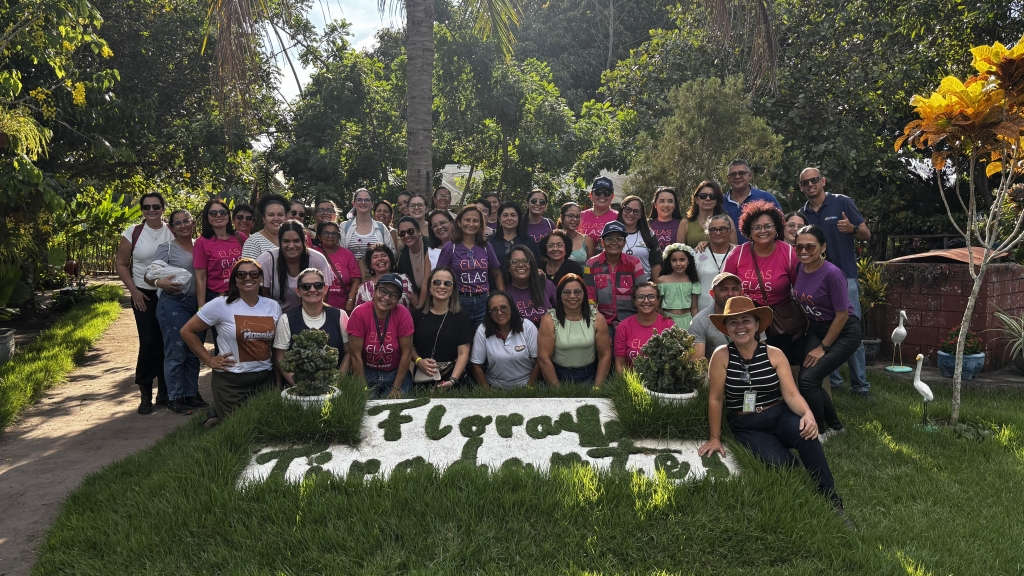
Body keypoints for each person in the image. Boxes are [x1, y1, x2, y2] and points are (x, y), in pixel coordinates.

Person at [696, 296, 850, 525]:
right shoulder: (721, 356)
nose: (740, 327)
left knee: (806, 435)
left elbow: (791, 394)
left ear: (757, 325)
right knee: (781, 465)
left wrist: (807, 415)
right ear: (726, 328)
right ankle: (794, 465)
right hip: (747, 425)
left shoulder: (774, 354)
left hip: (778, 414)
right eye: (733, 322)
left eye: (746, 320)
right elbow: (716, 399)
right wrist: (714, 438)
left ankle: (831, 498)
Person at [797, 167, 872, 398]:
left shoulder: (842, 203)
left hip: (845, 276)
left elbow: (866, 235)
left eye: (814, 180)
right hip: (816, 279)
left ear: (823, 181)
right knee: (825, 328)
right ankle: (835, 381)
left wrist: (852, 229)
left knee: (851, 331)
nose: (811, 185)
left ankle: (860, 386)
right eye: (806, 182)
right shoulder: (803, 213)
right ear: (801, 187)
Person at [180, 259, 282, 428]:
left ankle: (216, 415)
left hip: (265, 378)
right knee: (239, 428)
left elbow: (276, 345)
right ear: (235, 280)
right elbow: (187, 331)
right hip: (232, 381)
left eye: (253, 273)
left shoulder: (272, 306)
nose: (247, 278)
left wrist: (278, 382)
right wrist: (208, 360)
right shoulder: (221, 304)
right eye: (241, 274)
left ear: (261, 278)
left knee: (266, 425)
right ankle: (215, 419)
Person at [793, 225, 862, 434]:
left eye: (810, 247)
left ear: (823, 247)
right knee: (808, 379)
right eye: (799, 247)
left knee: (808, 379)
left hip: (844, 330)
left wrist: (822, 347)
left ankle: (820, 430)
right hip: (817, 327)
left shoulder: (833, 274)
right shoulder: (800, 268)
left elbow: (841, 315)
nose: (804, 252)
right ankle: (835, 428)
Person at [116, 192, 174, 414]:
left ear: (163, 208)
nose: (151, 210)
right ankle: (145, 394)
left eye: (156, 206)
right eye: (147, 207)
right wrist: (134, 292)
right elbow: (121, 263)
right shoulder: (133, 232)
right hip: (144, 294)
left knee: (166, 343)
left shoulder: (172, 230)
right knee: (149, 343)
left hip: (169, 294)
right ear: (142, 210)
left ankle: (165, 392)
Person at [724, 201, 803, 365]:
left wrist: (804, 320)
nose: (763, 231)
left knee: (781, 364)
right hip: (746, 319)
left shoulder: (789, 254)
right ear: (749, 231)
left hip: (780, 321)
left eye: (768, 226)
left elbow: (801, 289)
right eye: (757, 227)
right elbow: (725, 289)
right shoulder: (737, 255)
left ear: (776, 228)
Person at [147, 209, 207, 415]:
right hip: (174, 304)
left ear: (193, 222)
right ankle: (175, 397)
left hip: (197, 303)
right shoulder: (167, 248)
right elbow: (149, 274)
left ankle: (192, 394)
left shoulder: (201, 244)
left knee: (194, 351)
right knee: (176, 351)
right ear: (172, 227)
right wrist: (158, 282)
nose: (183, 225)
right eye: (178, 223)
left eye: (186, 221)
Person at [272, 269, 351, 385]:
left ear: (325, 289)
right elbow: (280, 357)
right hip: (298, 389)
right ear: (298, 291)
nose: (312, 290)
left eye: (318, 285)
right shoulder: (286, 319)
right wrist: (301, 387)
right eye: (306, 286)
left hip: (335, 388)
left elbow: (348, 352)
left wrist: (335, 383)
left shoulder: (340, 316)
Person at [348, 273, 415, 398]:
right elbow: (355, 356)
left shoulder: (403, 314)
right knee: (367, 408)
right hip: (367, 373)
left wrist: (396, 388)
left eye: (394, 295)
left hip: (395, 373)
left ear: (398, 299)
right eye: (383, 291)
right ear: (374, 290)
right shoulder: (359, 313)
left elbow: (407, 353)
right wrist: (362, 389)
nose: (387, 297)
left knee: (394, 408)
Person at [537, 274, 611, 387]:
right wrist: (558, 390)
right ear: (559, 295)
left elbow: (605, 355)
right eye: (566, 292)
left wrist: (597, 387)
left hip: (588, 376)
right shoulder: (549, 320)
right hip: (557, 376)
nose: (572, 296)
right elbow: (543, 358)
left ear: (584, 294)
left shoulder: (597, 318)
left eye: (577, 292)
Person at [438, 206, 505, 328]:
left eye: (475, 221)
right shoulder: (450, 247)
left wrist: (502, 298)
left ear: (480, 224)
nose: (471, 224)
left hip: (483, 302)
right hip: (458, 301)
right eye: (467, 220)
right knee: (461, 341)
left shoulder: (486, 247)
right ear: (459, 222)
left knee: (482, 340)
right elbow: (438, 276)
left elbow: (497, 274)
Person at [585, 221, 648, 344]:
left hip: (631, 319)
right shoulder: (591, 264)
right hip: (602, 321)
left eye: (619, 239)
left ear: (624, 242)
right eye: (609, 238)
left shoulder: (634, 263)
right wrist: (598, 323)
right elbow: (589, 297)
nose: (614, 242)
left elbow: (642, 291)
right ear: (602, 242)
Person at [409, 267, 473, 389]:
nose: (442, 286)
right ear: (429, 287)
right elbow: (409, 346)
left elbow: (463, 353)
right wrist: (418, 361)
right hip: (423, 378)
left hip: (452, 378)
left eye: (447, 283)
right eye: (437, 282)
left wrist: (453, 380)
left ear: (453, 289)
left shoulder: (462, 316)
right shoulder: (416, 314)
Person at [257, 221, 334, 313]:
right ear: (279, 241)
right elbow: (262, 297)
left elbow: (324, 294)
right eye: (286, 241)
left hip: (309, 316)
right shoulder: (266, 260)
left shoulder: (318, 260)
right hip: (274, 315)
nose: (291, 246)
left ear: (305, 241)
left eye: (296, 241)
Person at [470, 291, 539, 389]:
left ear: (512, 308)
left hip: (525, 384)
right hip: (495, 385)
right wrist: (488, 394)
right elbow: (476, 365)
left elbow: (539, 362)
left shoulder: (528, 327)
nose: (499, 312)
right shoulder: (483, 329)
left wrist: (529, 388)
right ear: (489, 314)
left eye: (503, 307)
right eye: (494, 310)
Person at [195, 199, 247, 314]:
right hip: (217, 298)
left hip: (243, 294)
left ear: (228, 216)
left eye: (223, 212)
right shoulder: (202, 242)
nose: (218, 215)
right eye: (213, 213)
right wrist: (201, 308)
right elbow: (201, 278)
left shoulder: (240, 237)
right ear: (207, 217)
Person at [613, 282, 677, 370]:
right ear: (634, 301)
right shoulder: (624, 327)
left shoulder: (669, 325)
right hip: (633, 381)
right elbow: (620, 365)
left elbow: (675, 361)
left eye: (651, 296)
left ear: (658, 300)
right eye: (640, 297)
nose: (646, 301)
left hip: (662, 381)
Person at [722, 159, 783, 244]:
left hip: (763, 252)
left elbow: (781, 225)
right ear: (728, 178)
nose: (737, 177)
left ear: (750, 175)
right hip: (729, 254)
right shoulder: (720, 201)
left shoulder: (766, 197)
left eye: (742, 173)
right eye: (733, 174)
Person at [341, 188, 397, 279]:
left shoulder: (381, 227)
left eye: (367, 200)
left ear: (372, 204)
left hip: (378, 278)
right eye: (359, 200)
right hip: (352, 279)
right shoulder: (344, 227)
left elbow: (392, 253)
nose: (363, 202)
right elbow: (340, 254)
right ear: (353, 203)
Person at [688, 272, 744, 360]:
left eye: (735, 289)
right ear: (712, 293)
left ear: (742, 292)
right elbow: (697, 364)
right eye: (724, 289)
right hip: (713, 372)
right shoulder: (700, 321)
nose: (730, 293)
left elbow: (762, 354)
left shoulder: (752, 318)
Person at [313, 221, 361, 314]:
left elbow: (356, 279)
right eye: (326, 233)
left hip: (343, 307)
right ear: (319, 236)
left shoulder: (347, 254)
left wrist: (351, 299)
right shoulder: (314, 254)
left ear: (339, 237)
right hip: (318, 306)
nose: (330, 236)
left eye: (334, 233)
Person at [504, 246, 556, 326]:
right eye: (515, 262)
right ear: (508, 268)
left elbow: (561, 312)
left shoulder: (546, 285)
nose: (521, 265)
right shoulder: (504, 291)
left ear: (532, 265)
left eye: (526, 261)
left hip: (548, 335)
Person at [354, 243, 417, 308]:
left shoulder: (404, 279)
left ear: (390, 261)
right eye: (375, 257)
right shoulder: (364, 289)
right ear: (371, 265)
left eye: (384, 255)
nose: (380, 259)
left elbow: (416, 304)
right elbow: (359, 314)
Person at [694, 214, 736, 311]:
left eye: (723, 229)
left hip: (734, 312)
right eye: (713, 229)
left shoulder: (739, 253)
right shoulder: (697, 254)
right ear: (707, 232)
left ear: (730, 231)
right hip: (703, 311)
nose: (717, 233)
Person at [680, 181, 739, 247]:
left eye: (712, 196)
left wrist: (710, 245)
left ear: (717, 201)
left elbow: (735, 249)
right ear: (696, 199)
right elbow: (679, 252)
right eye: (703, 196)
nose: (708, 199)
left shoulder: (727, 220)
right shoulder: (685, 222)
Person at [616, 195, 663, 277]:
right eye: (627, 210)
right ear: (621, 210)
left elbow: (656, 264)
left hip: (643, 285)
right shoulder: (612, 233)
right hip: (617, 284)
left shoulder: (649, 234)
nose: (631, 214)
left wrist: (656, 287)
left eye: (636, 211)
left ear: (641, 215)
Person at [657, 244, 701, 329]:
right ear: (669, 262)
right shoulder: (662, 280)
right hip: (666, 320)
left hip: (687, 320)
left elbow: (694, 308)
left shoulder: (693, 281)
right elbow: (657, 306)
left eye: (682, 260)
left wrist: (696, 325)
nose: (678, 264)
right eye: (674, 260)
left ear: (688, 261)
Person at [490, 201, 541, 272]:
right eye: (505, 215)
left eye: (513, 215)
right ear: (499, 219)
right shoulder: (490, 242)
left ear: (519, 218)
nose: (509, 218)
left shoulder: (529, 241)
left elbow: (536, 266)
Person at [394, 216, 430, 302]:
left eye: (410, 231)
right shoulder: (403, 257)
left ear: (419, 231)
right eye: (402, 233)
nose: (406, 235)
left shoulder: (432, 247)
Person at [241, 194, 289, 259]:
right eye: (271, 215)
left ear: (286, 217)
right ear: (263, 218)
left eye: (280, 215)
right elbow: (247, 268)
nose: (276, 218)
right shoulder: (253, 242)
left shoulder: (292, 239)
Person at [580, 176, 619, 244]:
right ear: (591, 195)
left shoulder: (619, 217)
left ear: (612, 196)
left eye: (606, 192)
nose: (602, 195)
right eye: (598, 192)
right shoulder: (580, 216)